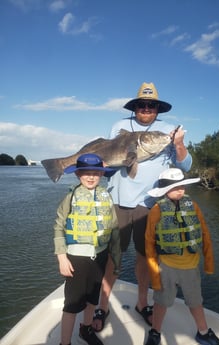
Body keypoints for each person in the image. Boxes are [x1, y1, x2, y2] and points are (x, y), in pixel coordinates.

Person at [92, 82, 192, 332]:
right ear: (135, 107)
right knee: (113, 256)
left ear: (158, 109)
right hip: (120, 201)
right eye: (141, 105)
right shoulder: (120, 126)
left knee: (147, 258)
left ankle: (141, 303)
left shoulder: (170, 130)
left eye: (151, 105)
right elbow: (112, 166)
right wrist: (99, 166)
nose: (146, 109)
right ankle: (102, 306)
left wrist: (179, 144)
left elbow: (186, 166)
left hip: (152, 203)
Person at [144, 168, 219, 345]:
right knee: (161, 302)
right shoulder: (156, 210)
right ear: (165, 190)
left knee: (196, 301)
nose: (180, 189)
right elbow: (149, 243)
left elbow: (205, 233)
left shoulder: (193, 206)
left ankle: (203, 332)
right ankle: (155, 331)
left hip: (191, 266)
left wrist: (209, 262)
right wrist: (155, 275)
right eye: (175, 187)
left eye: (182, 185)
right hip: (166, 266)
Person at [53, 153, 121, 345]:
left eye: (96, 173)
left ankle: (86, 329)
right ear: (78, 174)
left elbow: (114, 229)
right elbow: (58, 226)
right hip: (76, 259)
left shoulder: (106, 196)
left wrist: (116, 259)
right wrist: (61, 257)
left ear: (101, 175)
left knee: (93, 298)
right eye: (86, 173)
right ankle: (64, 342)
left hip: (100, 257)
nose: (91, 177)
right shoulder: (70, 197)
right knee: (72, 304)